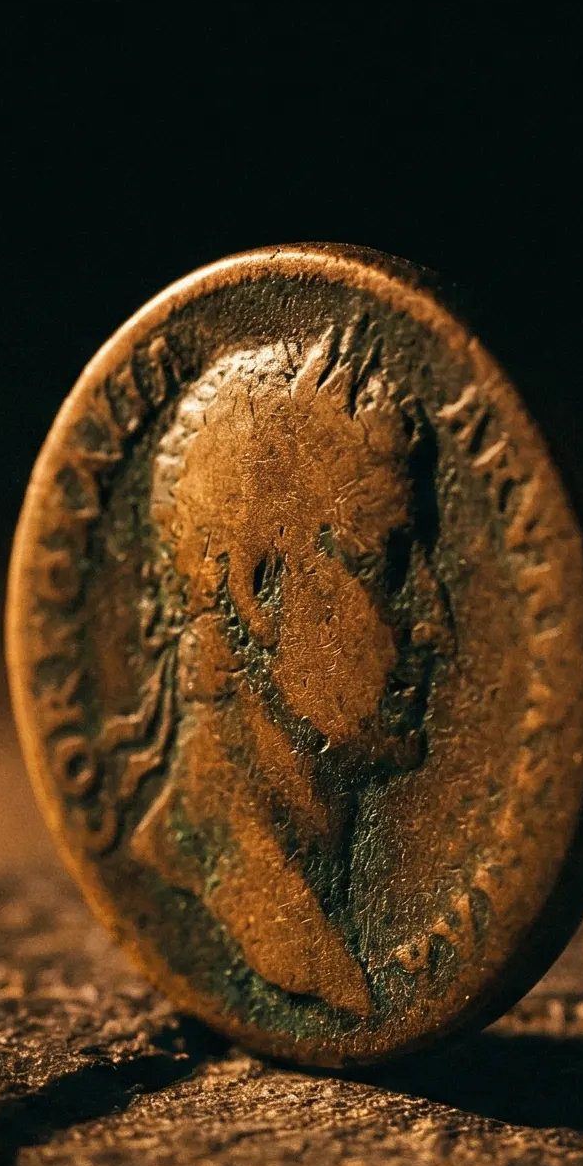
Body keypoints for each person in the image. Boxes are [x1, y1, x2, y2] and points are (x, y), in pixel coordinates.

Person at [127, 328, 451, 1018]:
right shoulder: (229, 885)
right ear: (257, 593)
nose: (435, 623)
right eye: (386, 565)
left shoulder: (315, 896)